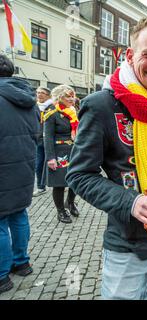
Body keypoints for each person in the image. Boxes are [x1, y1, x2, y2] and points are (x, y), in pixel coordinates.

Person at [66, 14, 147, 300]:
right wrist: (131, 201)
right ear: (130, 55)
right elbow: (78, 175)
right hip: (129, 242)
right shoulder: (101, 106)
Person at [0, 54, 38, 294]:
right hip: (24, 167)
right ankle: (21, 262)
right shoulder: (29, 98)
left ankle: (2, 275)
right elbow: (37, 130)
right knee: (18, 215)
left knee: (1, 221)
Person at [43, 85, 79, 224]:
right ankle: (60, 211)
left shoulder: (73, 111)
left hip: (74, 150)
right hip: (58, 152)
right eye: (68, 96)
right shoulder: (52, 112)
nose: (72, 99)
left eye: (72, 96)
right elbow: (47, 137)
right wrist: (50, 157)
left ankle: (70, 203)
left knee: (75, 180)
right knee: (59, 183)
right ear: (59, 97)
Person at [33, 87, 53, 197]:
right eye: (38, 92)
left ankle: (60, 184)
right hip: (38, 140)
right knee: (39, 164)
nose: (39, 95)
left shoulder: (52, 106)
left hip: (51, 140)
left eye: (42, 93)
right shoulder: (34, 107)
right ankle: (41, 187)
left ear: (48, 96)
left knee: (56, 163)